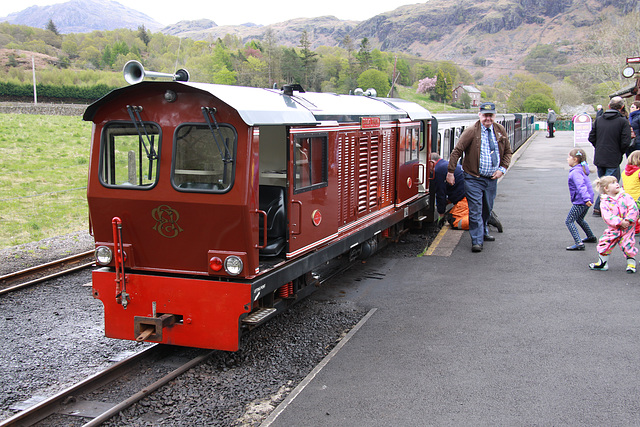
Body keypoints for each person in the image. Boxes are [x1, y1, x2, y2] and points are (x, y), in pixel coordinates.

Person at [446, 102, 512, 253]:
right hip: (473, 178)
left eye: (491, 115)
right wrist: (450, 172)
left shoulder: (500, 130)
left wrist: (502, 169)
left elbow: (508, 152)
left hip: (491, 179)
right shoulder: (471, 131)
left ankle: (484, 232)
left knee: (487, 208)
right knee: (475, 209)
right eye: (485, 115)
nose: (488, 118)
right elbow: (457, 151)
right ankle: (477, 241)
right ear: (479, 115)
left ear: (494, 116)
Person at [588, 96, 632, 216]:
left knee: (604, 183)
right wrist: (620, 151)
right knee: (609, 184)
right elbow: (626, 141)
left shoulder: (599, 120)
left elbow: (591, 137)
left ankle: (604, 208)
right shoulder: (622, 121)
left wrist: (599, 146)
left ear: (609, 106)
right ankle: (598, 208)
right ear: (622, 107)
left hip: (600, 156)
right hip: (613, 156)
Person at [589, 176, 638, 272]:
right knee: (605, 242)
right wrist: (620, 222)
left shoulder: (626, 196)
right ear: (606, 189)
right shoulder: (604, 202)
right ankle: (602, 263)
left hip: (628, 228)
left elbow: (633, 208)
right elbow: (607, 216)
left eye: (616, 182)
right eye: (613, 183)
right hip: (614, 228)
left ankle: (631, 263)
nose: (617, 184)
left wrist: (628, 220)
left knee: (627, 245)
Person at [565, 148, 597, 250]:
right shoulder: (581, 169)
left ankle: (579, 243)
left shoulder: (576, 172)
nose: (567, 159)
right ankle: (590, 236)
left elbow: (581, 186)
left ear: (575, 159)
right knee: (579, 218)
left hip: (581, 201)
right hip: (587, 199)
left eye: (569, 157)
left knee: (569, 221)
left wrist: (586, 199)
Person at [431, 152, 468, 229]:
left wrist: (441, 214)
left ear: (432, 162)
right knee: (451, 216)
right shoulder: (444, 165)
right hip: (467, 195)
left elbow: (440, 194)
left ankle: (483, 219)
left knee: (455, 221)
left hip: (466, 198)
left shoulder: (438, 170)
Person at [622, 149, 640, 234]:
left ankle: (634, 229)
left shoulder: (624, 172)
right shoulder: (638, 172)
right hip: (638, 197)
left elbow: (623, 185)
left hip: (628, 198)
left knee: (633, 214)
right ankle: (637, 230)